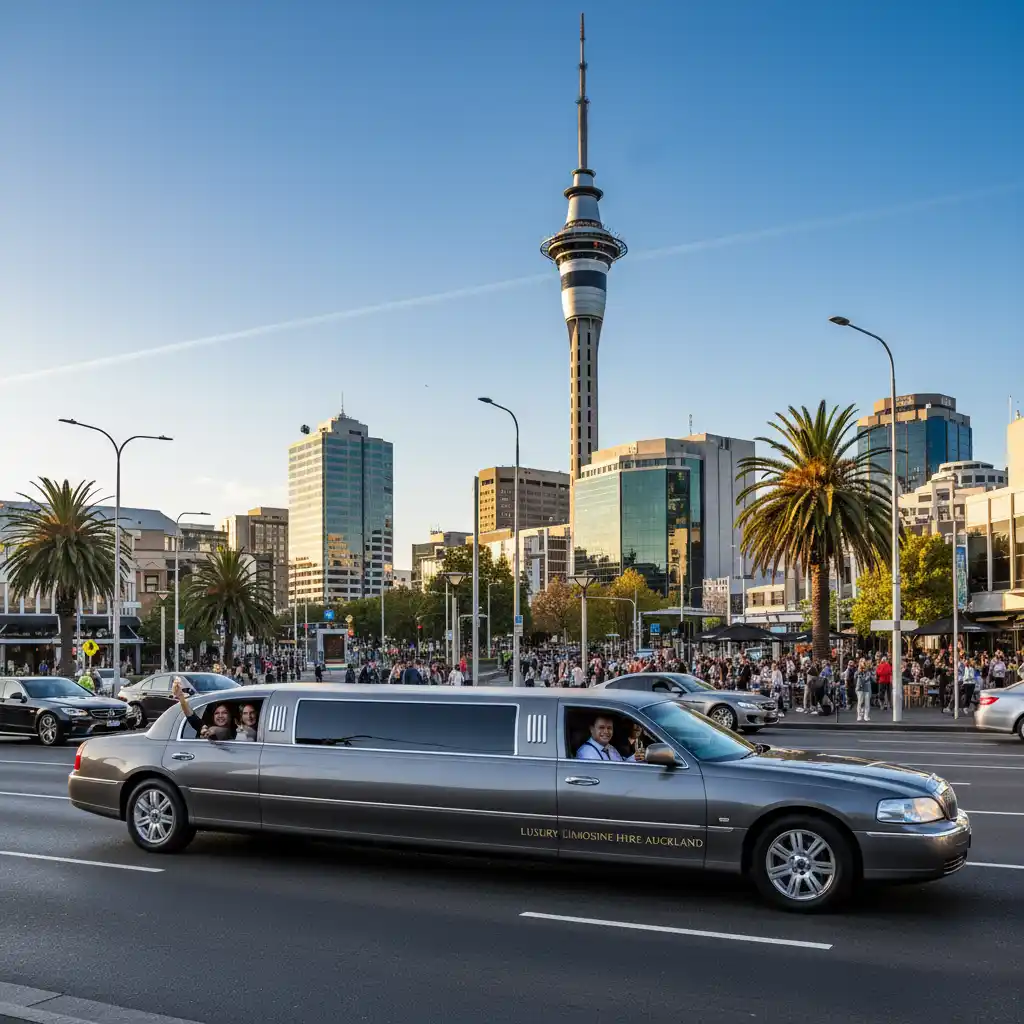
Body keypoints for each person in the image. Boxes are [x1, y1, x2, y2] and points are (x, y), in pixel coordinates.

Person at [173, 680, 239, 740]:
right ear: (213, 717)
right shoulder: (205, 728)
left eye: (224, 713)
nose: (220, 715)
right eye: (216, 713)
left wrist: (210, 731)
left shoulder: (235, 731)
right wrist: (181, 697)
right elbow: (191, 716)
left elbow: (222, 731)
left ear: (230, 716)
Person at [576, 715, 646, 762]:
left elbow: (621, 764)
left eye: (609, 728)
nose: (606, 731)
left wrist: (635, 757)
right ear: (592, 729)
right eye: (601, 727)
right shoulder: (587, 753)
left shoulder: (609, 747)